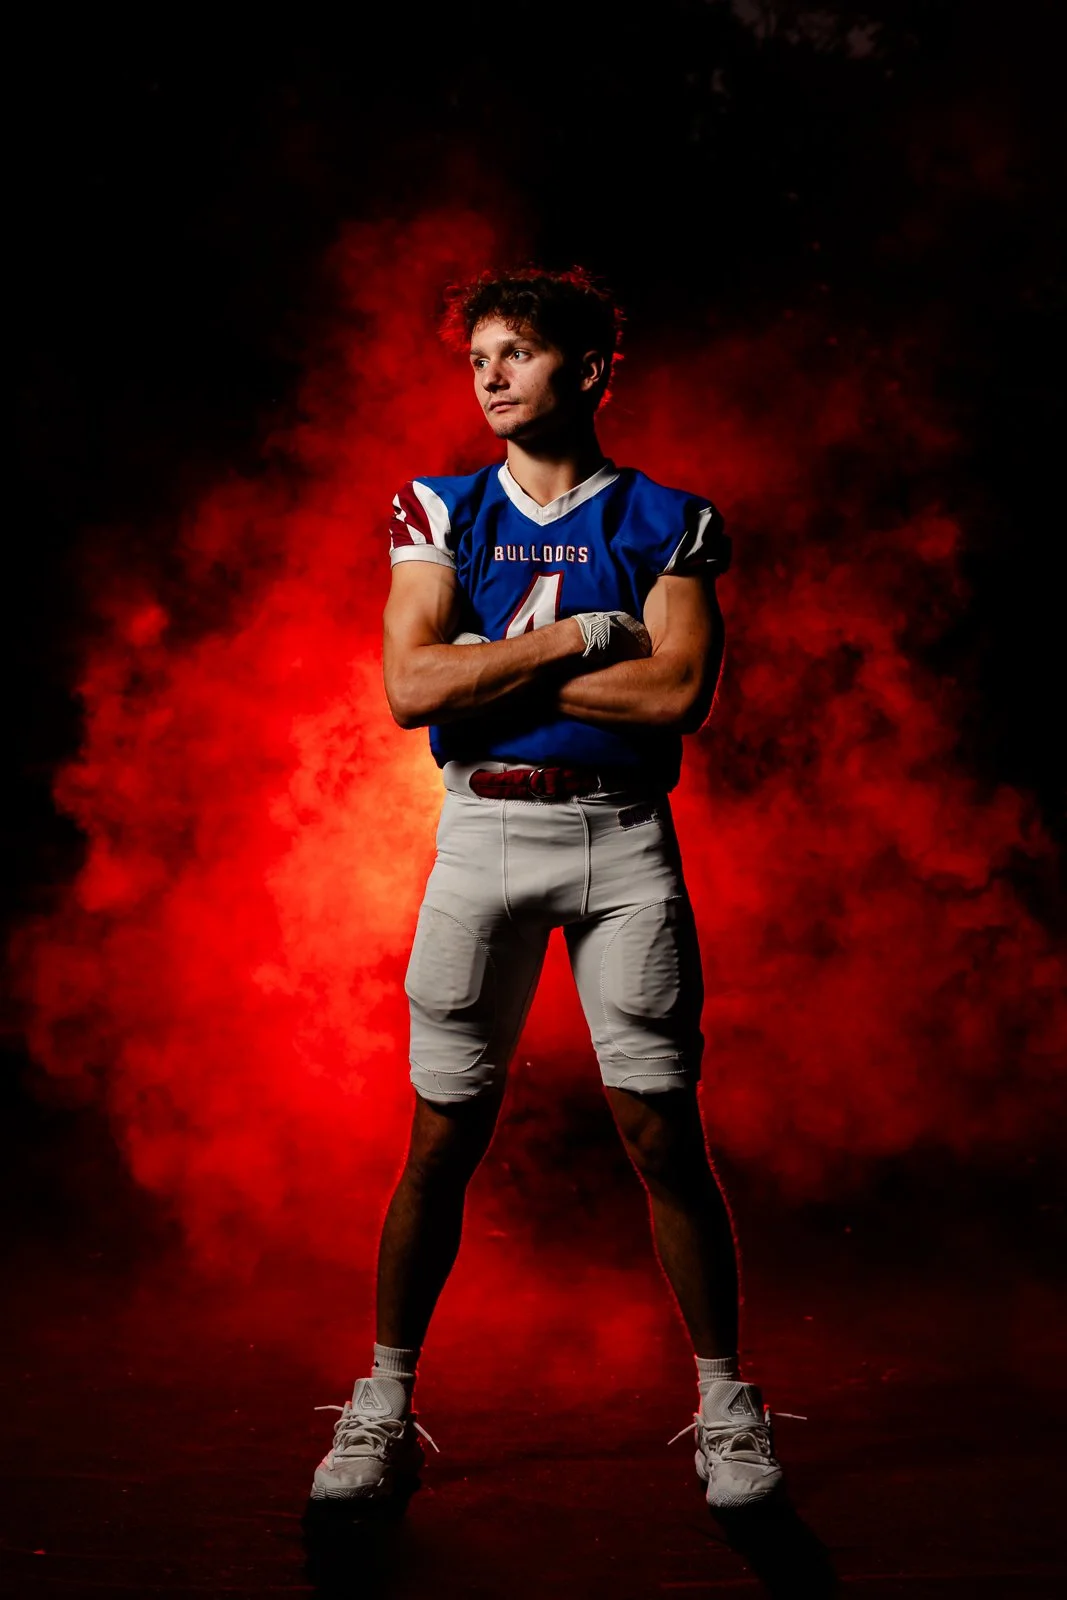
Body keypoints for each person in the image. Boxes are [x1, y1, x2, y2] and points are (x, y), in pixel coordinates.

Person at [310, 268, 785, 1513]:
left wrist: (490, 667)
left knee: (660, 1134)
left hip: (622, 837)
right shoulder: (438, 506)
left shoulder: (666, 517)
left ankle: (726, 1408)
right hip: (483, 832)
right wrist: (582, 639)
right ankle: (382, 1400)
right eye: (478, 356)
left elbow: (679, 695)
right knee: (441, 1136)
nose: (490, 375)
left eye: (517, 351)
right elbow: (412, 691)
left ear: (589, 369)